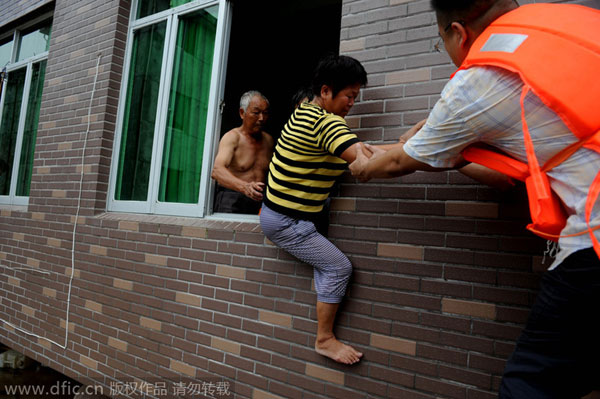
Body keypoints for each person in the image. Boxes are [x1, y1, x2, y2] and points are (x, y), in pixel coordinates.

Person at [350, 1, 600, 397]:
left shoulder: (481, 76)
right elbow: (504, 176)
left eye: (440, 43)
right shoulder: (565, 26)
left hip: (595, 241)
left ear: (458, 32)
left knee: (529, 385)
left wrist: (363, 168)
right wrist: (448, 149)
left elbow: (398, 161)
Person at [259, 54, 400, 365]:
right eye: (349, 96)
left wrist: (403, 145)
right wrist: (415, 151)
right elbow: (368, 163)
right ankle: (324, 339)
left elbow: (359, 149)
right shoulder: (327, 124)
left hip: (277, 212)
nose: (352, 103)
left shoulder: (304, 114)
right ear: (326, 91)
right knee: (338, 267)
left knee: (330, 264)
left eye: (355, 97)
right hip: (287, 221)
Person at [211, 91, 274, 214]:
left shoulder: (269, 141)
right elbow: (217, 171)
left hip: (260, 200)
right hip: (232, 198)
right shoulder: (232, 137)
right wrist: (245, 187)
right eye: (256, 113)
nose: (261, 118)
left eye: (265, 113)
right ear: (242, 113)